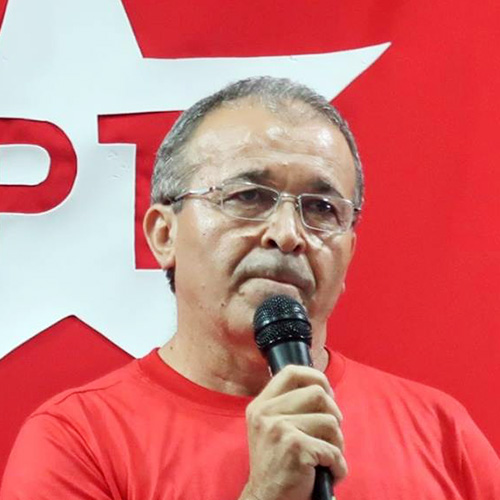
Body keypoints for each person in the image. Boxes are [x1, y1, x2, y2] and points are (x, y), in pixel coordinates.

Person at [1, 77, 499, 500]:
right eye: (248, 197)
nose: (287, 233)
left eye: (322, 208)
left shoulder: (440, 432)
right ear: (164, 235)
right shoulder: (77, 441)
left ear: (349, 251)